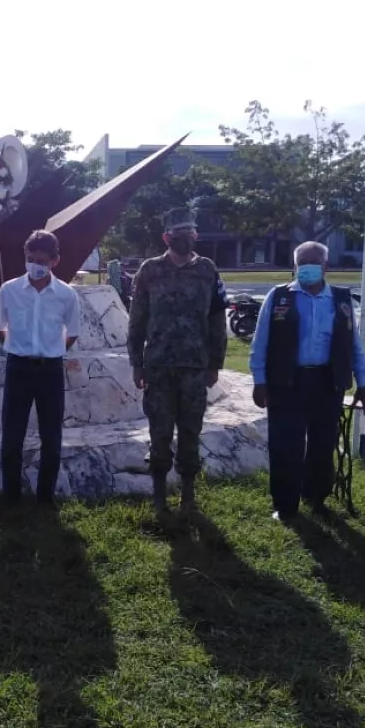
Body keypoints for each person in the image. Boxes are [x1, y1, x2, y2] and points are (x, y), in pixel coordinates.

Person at [249, 241, 365, 522]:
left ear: (326, 266)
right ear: (295, 267)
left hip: (327, 382)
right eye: (301, 263)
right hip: (287, 382)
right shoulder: (279, 297)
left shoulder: (341, 300)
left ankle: (316, 497)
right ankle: (285, 504)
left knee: (322, 444)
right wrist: (259, 380)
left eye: (313, 262)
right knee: (285, 445)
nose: (307, 268)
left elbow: (353, 346)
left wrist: (363, 383)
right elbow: (260, 343)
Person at [127, 206, 227, 512]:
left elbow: (217, 320)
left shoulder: (208, 270)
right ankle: (159, 494)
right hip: (158, 367)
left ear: (195, 235)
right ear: (166, 237)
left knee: (190, 430)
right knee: (159, 431)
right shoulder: (150, 270)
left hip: (195, 367)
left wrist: (215, 363)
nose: (183, 238)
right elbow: (137, 320)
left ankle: (188, 494)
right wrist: (136, 362)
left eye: (188, 233)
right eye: (177, 234)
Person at [0, 230, 81, 505]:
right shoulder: (10, 289)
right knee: (12, 436)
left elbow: (72, 332)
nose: (34, 265)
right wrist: (17, 345)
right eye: (30, 259)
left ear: (55, 260)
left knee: (51, 438)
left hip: (50, 370)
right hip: (18, 368)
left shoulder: (66, 294)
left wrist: (52, 349)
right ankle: (11, 498)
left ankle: (45, 499)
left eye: (41, 260)